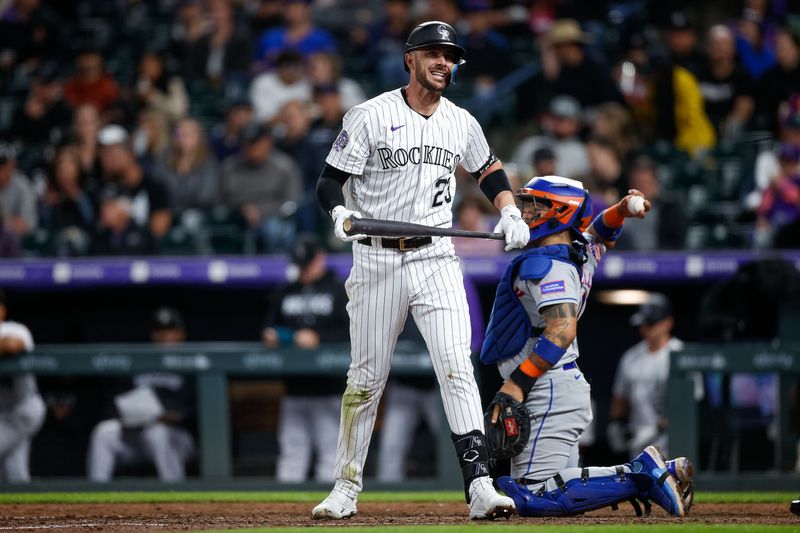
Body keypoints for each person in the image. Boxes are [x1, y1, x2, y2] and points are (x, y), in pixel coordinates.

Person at [312, 21, 530, 520]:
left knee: (457, 366)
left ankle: (479, 486)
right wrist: (339, 213)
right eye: (432, 53)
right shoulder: (370, 115)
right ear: (410, 59)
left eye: (449, 56)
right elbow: (328, 182)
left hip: (435, 256)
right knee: (365, 378)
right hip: (376, 257)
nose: (442, 63)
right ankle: (345, 487)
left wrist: (509, 208)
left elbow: (489, 169)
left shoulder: (461, 121)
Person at [480, 176, 693, 517]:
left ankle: (644, 474)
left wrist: (516, 385)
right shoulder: (579, 251)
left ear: (562, 211)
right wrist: (621, 210)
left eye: (537, 205)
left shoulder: (547, 264)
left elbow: (562, 330)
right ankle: (648, 472)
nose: (526, 211)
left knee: (532, 497)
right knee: (560, 490)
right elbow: (601, 232)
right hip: (558, 385)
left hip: (544, 387)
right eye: (527, 203)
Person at [262, 235, 348, 482]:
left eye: (307, 264)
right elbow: (269, 325)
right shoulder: (286, 290)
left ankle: (328, 512)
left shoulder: (338, 289)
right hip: (294, 388)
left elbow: (352, 332)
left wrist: (319, 338)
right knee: (291, 453)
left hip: (329, 387)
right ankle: (286, 515)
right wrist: (273, 336)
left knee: (329, 455)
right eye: (299, 264)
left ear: (320, 258)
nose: (303, 270)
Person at [87, 307, 195, 482]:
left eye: (169, 331)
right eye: (159, 331)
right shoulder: (139, 363)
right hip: (136, 434)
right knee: (104, 432)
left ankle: (174, 492)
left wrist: (175, 417)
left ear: (180, 334)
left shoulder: (193, 365)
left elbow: (201, 412)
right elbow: (114, 402)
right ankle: (94, 496)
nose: (164, 337)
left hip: (176, 437)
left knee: (159, 433)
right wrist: (123, 417)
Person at [607, 294, 684, 459]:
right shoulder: (631, 356)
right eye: (644, 323)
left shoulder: (680, 354)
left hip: (673, 444)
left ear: (668, 322)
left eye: (651, 323)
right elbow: (620, 398)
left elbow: (687, 404)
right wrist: (616, 424)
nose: (646, 328)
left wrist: (657, 429)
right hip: (639, 442)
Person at [0, 289, 45, 483]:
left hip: (23, 409)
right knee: (15, 473)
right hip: (3, 413)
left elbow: (12, 345)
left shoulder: (14, 329)